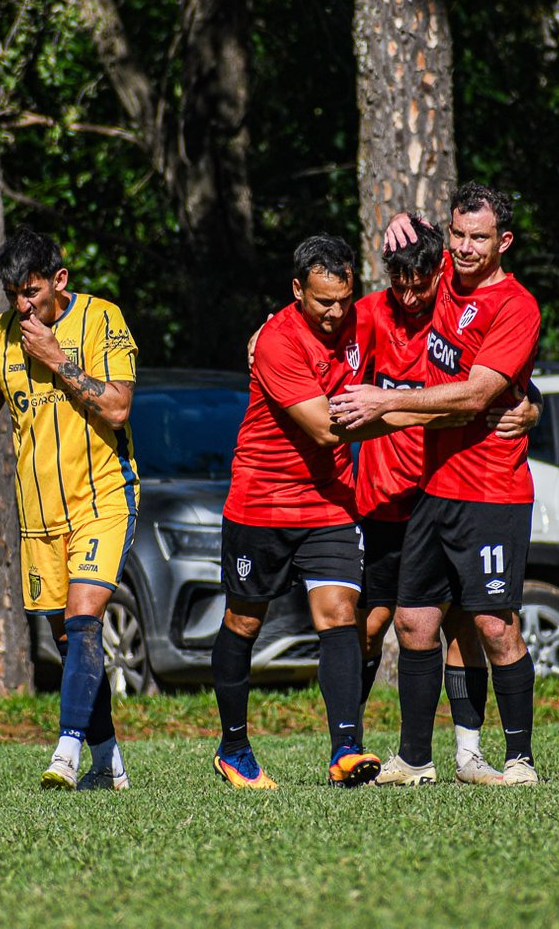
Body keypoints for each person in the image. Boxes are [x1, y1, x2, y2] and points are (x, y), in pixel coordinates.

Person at [329, 182, 544, 787]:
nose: (466, 248)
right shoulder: (445, 272)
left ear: (504, 242)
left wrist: (383, 403)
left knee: (494, 626)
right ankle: (414, 759)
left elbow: (477, 395)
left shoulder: (516, 306)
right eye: (458, 236)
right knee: (414, 622)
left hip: (492, 491)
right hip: (436, 489)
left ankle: (520, 759)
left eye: (480, 238)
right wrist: (406, 219)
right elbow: (414, 253)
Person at [0, 226, 139, 791]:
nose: (23, 305)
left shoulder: (101, 318)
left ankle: (66, 751)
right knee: (66, 640)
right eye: (13, 293)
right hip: (39, 515)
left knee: (84, 620)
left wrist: (57, 358)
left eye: (32, 291)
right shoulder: (1, 335)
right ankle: (107, 761)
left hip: (103, 497)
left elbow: (117, 408)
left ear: (59, 281)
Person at [213, 233, 404, 789]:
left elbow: (417, 298)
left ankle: (347, 746)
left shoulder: (359, 319)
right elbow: (324, 427)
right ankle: (234, 749)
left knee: (341, 614)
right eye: (323, 302)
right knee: (244, 621)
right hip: (262, 501)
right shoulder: (278, 340)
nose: (336, 312)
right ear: (297, 291)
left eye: (344, 300)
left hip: (329, 502)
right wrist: (417, 412)